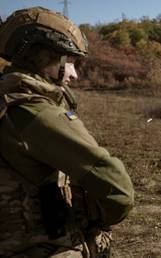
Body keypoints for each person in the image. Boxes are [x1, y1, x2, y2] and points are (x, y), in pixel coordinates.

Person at [0, 7, 134, 258]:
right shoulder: (36, 112)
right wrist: (95, 219)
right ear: (43, 57)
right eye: (69, 62)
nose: (74, 74)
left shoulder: (6, 101)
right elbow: (116, 186)